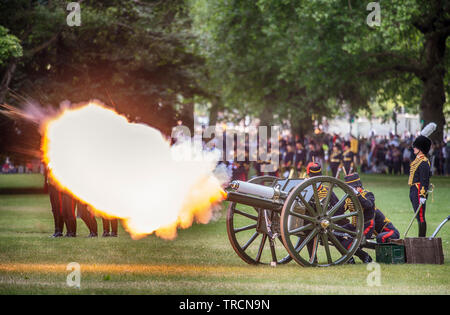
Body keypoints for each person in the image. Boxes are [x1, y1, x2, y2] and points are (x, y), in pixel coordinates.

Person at [339, 173, 375, 263]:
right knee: (334, 234)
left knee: (353, 242)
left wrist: (357, 194)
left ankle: (362, 256)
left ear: (358, 187)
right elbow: (339, 211)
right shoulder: (348, 197)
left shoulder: (368, 194)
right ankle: (356, 256)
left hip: (366, 226)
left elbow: (368, 205)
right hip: (354, 226)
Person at [408, 123, 435, 237]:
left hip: (419, 190)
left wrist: (423, 196)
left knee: (420, 217)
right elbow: (412, 151)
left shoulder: (424, 162)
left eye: (416, 147)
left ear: (421, 149)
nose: (413, 148)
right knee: (418, 216)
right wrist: (420, 138)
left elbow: (425, 180)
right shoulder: (418, 159)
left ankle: (421, 238)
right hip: (414, 189)